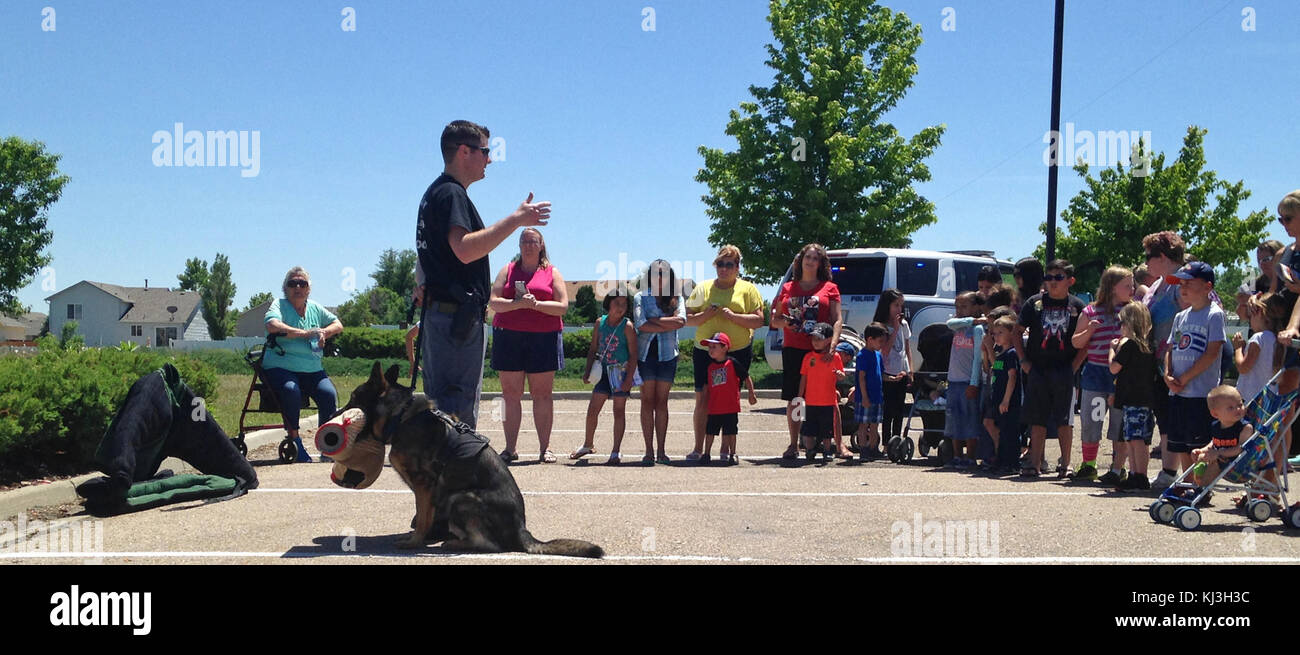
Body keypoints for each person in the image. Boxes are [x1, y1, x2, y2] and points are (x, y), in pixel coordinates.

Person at [414, 120, 551, 430]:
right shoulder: (451, 194)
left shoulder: (436, 193)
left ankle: (447, 474)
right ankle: (457, 477)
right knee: (457, 413)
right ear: (465, 151)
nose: (490, 159)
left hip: (444, 318)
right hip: (455, 322)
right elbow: (464, 249)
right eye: (485, 151)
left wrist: (422, 282)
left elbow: (428, 253)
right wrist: (516, 220)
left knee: (443, 411)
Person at [489, 228, 569, 463]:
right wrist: (517, 303)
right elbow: (494, 302)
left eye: (533, 241)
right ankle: (510, 448)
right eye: (524, 241)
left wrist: (536, 305)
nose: (528, 245)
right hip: (508, 336)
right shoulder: (507, 269)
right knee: (510, 395)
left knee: (542, 395)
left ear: (541, 244)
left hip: (543, 337)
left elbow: (562, 307)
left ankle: (545, 449)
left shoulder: (552, 273)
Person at [684, 245, 765, 460]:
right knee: (703, 399)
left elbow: (759, 320)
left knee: (727, 400)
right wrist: (706, 314)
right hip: (705, 352)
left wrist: (734, 317)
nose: (724, 269)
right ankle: (699, 448)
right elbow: (687, 319)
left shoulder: (748, 289)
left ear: (737, 267)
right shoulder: (702, 289)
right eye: (720, 264)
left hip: (737, 352)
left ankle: (725, 449)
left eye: (729, 264)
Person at [262, 267, 344, 463]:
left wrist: (324, 332)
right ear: (285, 288)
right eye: (292, 283)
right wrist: (305, 334)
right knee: (291, 390)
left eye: (302, 284)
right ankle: (295, 440)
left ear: (308, 289)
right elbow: (272, 325)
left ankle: (327, 444)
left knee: (328, 394)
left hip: (312, 368)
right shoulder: (279, 305)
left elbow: (338, 324)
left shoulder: (315, 307)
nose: (297, 287)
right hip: (281, 365)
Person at [772, 243, 843, 459]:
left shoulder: (829, 287)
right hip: (793, 347)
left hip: (821, 350)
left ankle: (838, 445)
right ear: (800, 261)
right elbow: (774, 320)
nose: (810, 261)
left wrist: (833, 344)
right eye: (807, 257)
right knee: (796, 399)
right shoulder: (788, 287)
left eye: (815, 258)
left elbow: (837, 319)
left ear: (820, 263)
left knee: (829, 398)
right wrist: (786, 324)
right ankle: (795, 443)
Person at [1018, 259, 1087, 477]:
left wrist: (1075, 365)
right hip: (1038, 367)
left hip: (1064, 368)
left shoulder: (1077, 306)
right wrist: (1023, 361)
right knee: (1037, 418)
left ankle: (1066, 463)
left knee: (1064, 419)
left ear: (1070, 280)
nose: (1053, 282)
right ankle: (1035, 463)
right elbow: (1016, 331)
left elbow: (1087, 340)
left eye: (1058, 277)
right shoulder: (1035, 303)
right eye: (1049, 278)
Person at [1070, 266, 1134, 483]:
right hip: (1095, 374)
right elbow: (1076, 342)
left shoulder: (1133, 311)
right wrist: (1090, 330)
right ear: (1112, 287)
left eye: (1132, 284)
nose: (1132, 288)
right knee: (1092, 421)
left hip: (1122, 376)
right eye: (1127, 285)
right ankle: (1089, 465)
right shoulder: (1090, 311)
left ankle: (1118, 468)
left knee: (1119, 424)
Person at [1164, 262, 1227, 477]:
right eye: (1181, 283)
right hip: (1178, 391)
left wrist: (1185, 377)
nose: (1183, 287)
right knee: (1180, 443)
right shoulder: (1181, 316)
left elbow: (1211, 352)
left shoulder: (1214, 314)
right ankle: (1187, 482)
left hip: (1200, 393)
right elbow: (1171, 349)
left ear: (1207, 286)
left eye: (1189, 282)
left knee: (1198, 445)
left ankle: (1201, 484)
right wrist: (1168, 374)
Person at [1140, 231, 1189, 488]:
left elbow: (1196, 317)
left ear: (1162, 256)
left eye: (1149, 256)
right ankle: (1169, 472)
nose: (1146, 262)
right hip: (1159, 364)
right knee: (1166, 419)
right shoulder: (1160, 283)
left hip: (1181, 365)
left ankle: (1183, 476)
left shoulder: (1183, 282)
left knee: (1179, 420)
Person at [573, 288, 639, 465]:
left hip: (621, 372)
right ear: (608, 303)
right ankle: (588, 444)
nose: (620, 307)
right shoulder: (599, 323)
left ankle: (616, 451)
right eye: (617, 303)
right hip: (603, 372)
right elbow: (593, 349)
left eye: (624, 304)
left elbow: (634, 355)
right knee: (593, 408)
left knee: (619, 411)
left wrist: (628, 380)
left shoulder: (627, 326)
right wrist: (587, 372)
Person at [633, 259, 688, 465]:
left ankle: (662, 451)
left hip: (667, 356)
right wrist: (666, 323)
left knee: (661, 402)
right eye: (656, 273)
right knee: (647, 401)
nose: (659, 276)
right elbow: (641, 324)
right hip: (645, 356)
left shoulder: (677, 297)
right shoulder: (640, 297)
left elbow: (681, 321)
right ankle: (648, 451)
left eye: (663, 273)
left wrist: (653, 321)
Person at [1109, 302, 1157, 491]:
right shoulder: (1148, 346)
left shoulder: (1129, 345)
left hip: (1133, 400)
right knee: (1136, 439)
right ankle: (1136, 473)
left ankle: (1139, 475)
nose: (1120, 327)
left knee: (1134, 439)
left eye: (1121, 323)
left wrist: (1112, 350)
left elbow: (1114, 368)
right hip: (1144, 399)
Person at [945, 291, 985, 468]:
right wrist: (973, 320)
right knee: (955, 419)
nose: (959, 310)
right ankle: (956, 455)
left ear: (976, 307)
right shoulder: (959, 325)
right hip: (953, 380)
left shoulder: (977, 330)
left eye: (964, 306)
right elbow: (949, 323)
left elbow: (978, 358)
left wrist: (974, 383)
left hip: (968, 381)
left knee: (970, 420)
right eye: (957, 306)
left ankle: (970, 457)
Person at [798, 323, 845, 461]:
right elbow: (803, 378)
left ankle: (827, 450)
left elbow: (841, 375)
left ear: (829, 340)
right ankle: (810, 449)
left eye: (819, 339)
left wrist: (839, 374)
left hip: (828, 400)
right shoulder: (808, 357)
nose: (815, 342)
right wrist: (799, 397)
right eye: (813, 339)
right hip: (811, 400)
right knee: (809, 429)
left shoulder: (835, 357)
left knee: (827, 429)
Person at [872, 289, 913, 447]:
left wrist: (910, 370)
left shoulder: (904, 324)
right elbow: (885, 350)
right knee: (888, 410)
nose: (899, 309)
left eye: (900, 306)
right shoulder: (882, 327)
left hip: (901, 371)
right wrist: (895, 329)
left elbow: (907, 349)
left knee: (899, 409)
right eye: (896, 305)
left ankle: (897, 438)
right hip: (887, 373)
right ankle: (886, 441)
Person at [1191, 386, 1249, 489]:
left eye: (1240, 405)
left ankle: (1201, 491)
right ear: (1215, 413)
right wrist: (1202, 450)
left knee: (1216, 462)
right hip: (1222, 461)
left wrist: (1218, 453)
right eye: (1231, 408)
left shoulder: (1245, 428)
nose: (1238, 409)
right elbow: (1215, 442)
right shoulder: (1216, 426)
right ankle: (1199, 485)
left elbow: (1240, 449)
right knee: (1201, 457)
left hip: (1239, 466)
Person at [984, 315, 1022, 473]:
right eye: (994, 333)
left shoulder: (1012, 353)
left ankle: (1012, 463)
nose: (996, 336)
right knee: (1002, 430)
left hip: (1009, 400)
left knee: (1010, 432)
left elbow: (1012, 376)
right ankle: (1001, 460)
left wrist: (1006, 400)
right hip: (998, 397)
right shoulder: (1001, 354)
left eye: (1000, 332)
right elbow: (995, 369)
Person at [700, 332, 742, 465]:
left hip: (730, 406)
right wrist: (703, 401)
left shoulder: (732, 363)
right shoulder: (710, 366)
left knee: (731, 431)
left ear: (724, 348)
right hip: (714, 407)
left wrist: (752, 394)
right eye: (710, 347)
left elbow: (746, 376)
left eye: (714, 347)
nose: (711, 350)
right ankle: (706, 453)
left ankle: (732, 453)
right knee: (710, 431)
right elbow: (706, 385)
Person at [1232, 293, 1282, 403]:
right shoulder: (1275, 339)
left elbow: (1243, 368)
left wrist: (1238, 348)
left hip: (1251, 399)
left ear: (1258, 312)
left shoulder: (1258, 338)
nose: (1250, 321)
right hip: (1266, 399)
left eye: (1250, 316)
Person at [854, 323, 889, 461]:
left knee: (875, 424)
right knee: (863, 424)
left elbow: (882, 374)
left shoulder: (878, 355)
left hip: (877, 397)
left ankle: (874, 448)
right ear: (870, 339)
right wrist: (864, 397)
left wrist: (893, 378)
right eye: (880, 341)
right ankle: (863, 449)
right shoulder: (863, 355)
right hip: (865, 397)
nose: (882, 344)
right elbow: (861, 378)